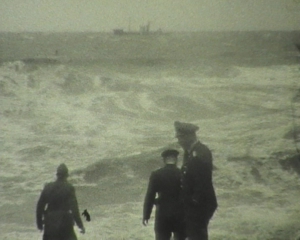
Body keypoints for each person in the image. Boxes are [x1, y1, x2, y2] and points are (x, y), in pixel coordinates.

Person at [174, 121, 217, 240]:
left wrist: (194, 204)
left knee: (197, 236)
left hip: (199, 206)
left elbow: (202, 183)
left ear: (190, 136)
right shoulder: (191, 152)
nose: (179, 141)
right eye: (178, 138)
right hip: (192, 205)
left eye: (181, 138)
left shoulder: (199, 153)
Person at [143, 149, 186, 240]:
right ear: (176, 159)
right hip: (180, 215)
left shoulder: (156, 174)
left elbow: (150, 196)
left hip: (162, 214)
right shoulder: (182, 173)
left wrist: (146, 215)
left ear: (164, 160)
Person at [36, 163, 85, 240]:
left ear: (57, 174)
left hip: (50, 224)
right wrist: (80, 225)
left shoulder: (48, 187)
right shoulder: (69, 188)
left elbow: (39, 207)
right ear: (67, 175)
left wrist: (39, 224)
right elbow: (74, 209)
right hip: (65, 224)